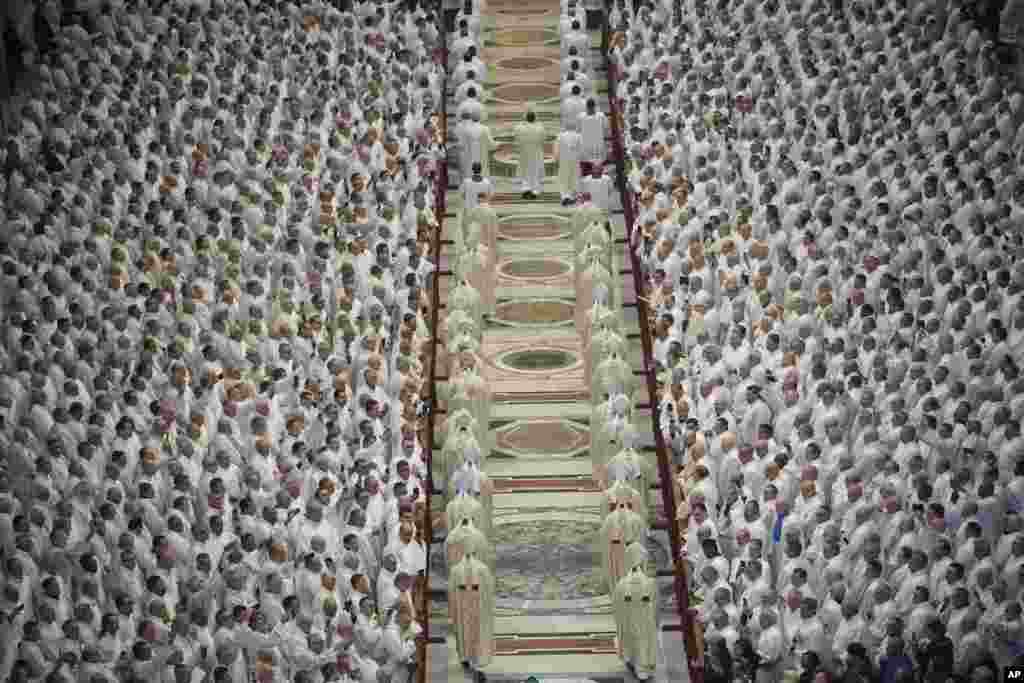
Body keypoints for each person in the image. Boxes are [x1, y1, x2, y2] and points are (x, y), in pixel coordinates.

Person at [514, 108, 547, 199]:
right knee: (535, 172)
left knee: (525, 171)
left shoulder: (519, 128)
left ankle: (525, 189)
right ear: (534, 119)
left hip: (524, 153)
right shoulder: (540, 128)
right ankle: (535, 191)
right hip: (536, 153)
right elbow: (544, 139)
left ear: (525, 118)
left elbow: (516, 138)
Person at [555, 120, 584, 205]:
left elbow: (556, 149)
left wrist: (557, 158)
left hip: (564, 159)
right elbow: (581, 149)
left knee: (564, 178)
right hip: (575, 159)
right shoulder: (578, 136)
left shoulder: (560, 136)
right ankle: (572, 196)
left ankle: (564, 196)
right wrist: (580, 158)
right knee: (574, 177)